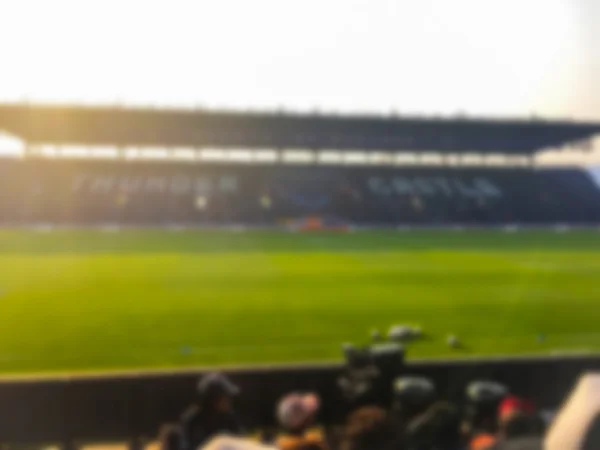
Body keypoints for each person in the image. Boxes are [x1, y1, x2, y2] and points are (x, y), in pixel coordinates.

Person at [180, 372, 243, 449]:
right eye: (225, 396)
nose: (229, 400)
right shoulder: (193, 420)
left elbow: (239, 443)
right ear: (213, 399)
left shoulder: (230, 418)